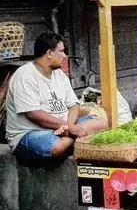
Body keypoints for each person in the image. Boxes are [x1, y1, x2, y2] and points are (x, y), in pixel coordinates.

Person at [6, 32, 108, 163]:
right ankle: (78, 140)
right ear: (49, 53)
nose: (64, 56)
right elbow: (34, 114)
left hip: (63, 128)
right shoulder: (25, 75)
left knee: (102, 123)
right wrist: (72, 130)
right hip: (30, 133)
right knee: (57, 147)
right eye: (61, 51)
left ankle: (71, 139)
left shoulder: (59, 74)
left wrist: (68, 127)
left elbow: (74, 105)